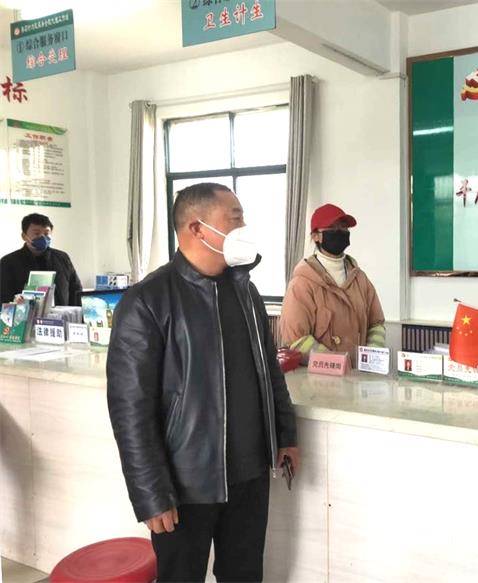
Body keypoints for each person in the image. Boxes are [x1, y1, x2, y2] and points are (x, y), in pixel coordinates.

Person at [107, 182, 298, 582]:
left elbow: (269, 371)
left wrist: (285, 435)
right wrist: (150, 493)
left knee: (245, 574)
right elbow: (130, 410)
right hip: (185, 483)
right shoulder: (147, 302)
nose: (244, 227)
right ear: (197, 228)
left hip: (249, 474)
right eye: (235, 218)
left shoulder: (246, 291)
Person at [280, 203, 385, 365]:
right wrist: (337, 364)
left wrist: (371, 358)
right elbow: (297, 339)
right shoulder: (302, 283)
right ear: (315, 236)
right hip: (319, 377)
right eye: (333, 228)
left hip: (359, 375)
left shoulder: (360, 278)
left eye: (343, 228)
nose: (340, 232)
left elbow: (376, 324)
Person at [0, 213, 82, 305]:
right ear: (24, 236)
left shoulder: (62, 258)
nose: (42, 237)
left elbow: (76, 290)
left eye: (46, 233)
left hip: (64, 314)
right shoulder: (8, 262)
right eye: (37, 233)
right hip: (24, 314)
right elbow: (4, 298)